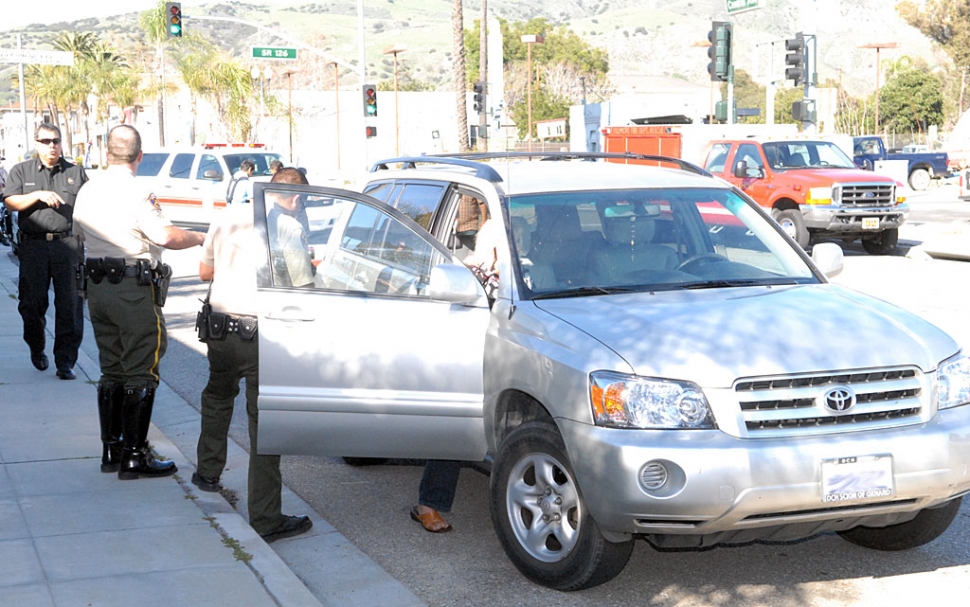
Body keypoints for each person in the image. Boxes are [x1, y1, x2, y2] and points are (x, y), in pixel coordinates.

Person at [73, 124, 206, 479]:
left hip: (98, 286)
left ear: (106, 153)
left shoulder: (88, 188)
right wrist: (197, 237)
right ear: (139, 156)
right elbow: (164, 235)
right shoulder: (137, 189)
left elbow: (80, 235)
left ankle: (111, 449)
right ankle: (135, 454)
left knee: (111, 368)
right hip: (132, 288)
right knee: (141, 367)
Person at [192, 166, 313, 543]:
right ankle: (265, 517)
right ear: (293, 197)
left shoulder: (226, 215)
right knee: (265, 424)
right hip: (262, 335)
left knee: (217, 398)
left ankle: (207, 473)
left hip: (220, 328)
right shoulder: (288, 229)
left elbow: (203, 271)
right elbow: (302, 288)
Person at [2, 123, 87, 379]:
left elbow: (89, 205)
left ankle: (65, 362)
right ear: (37, 143)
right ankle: (37, 347)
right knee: (31, 304)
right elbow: (10, 201)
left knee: (70, 306)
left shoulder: (76, 172)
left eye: (56, 141)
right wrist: (38, 194)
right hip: (34, 246)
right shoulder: (21, 171)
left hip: (68, 247)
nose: (52, 146)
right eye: (46, 141)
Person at [266, 173, 314, 287]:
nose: (300, 209)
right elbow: (303, 285)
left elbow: (214, 270)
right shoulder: (291, 228)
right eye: (303, 203)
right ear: (296, 200)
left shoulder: (228, 214)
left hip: (220, 300)